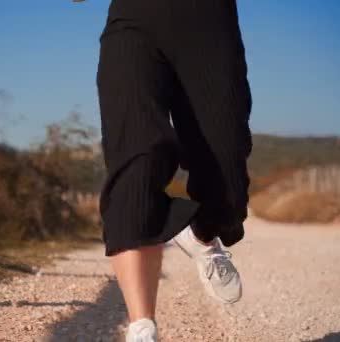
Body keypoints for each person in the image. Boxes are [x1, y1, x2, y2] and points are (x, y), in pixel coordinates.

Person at [95, 0, 252, 340]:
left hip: (210, 21)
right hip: (133, 21)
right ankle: (142, 327)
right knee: (136, 163)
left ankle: (202, 236)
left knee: (226, 167)